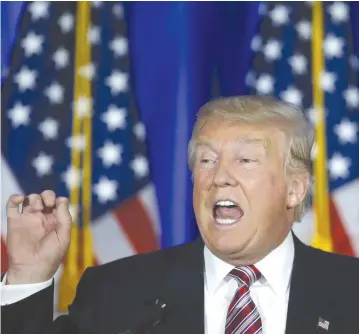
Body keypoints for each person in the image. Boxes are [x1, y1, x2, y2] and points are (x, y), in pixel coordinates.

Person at [1, 96, 359, 334]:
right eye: (206, 160)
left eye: (245, 160)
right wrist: (27, 275)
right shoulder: (120, 293)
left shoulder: (351, 293)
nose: (219, 176)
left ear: (295, 189)